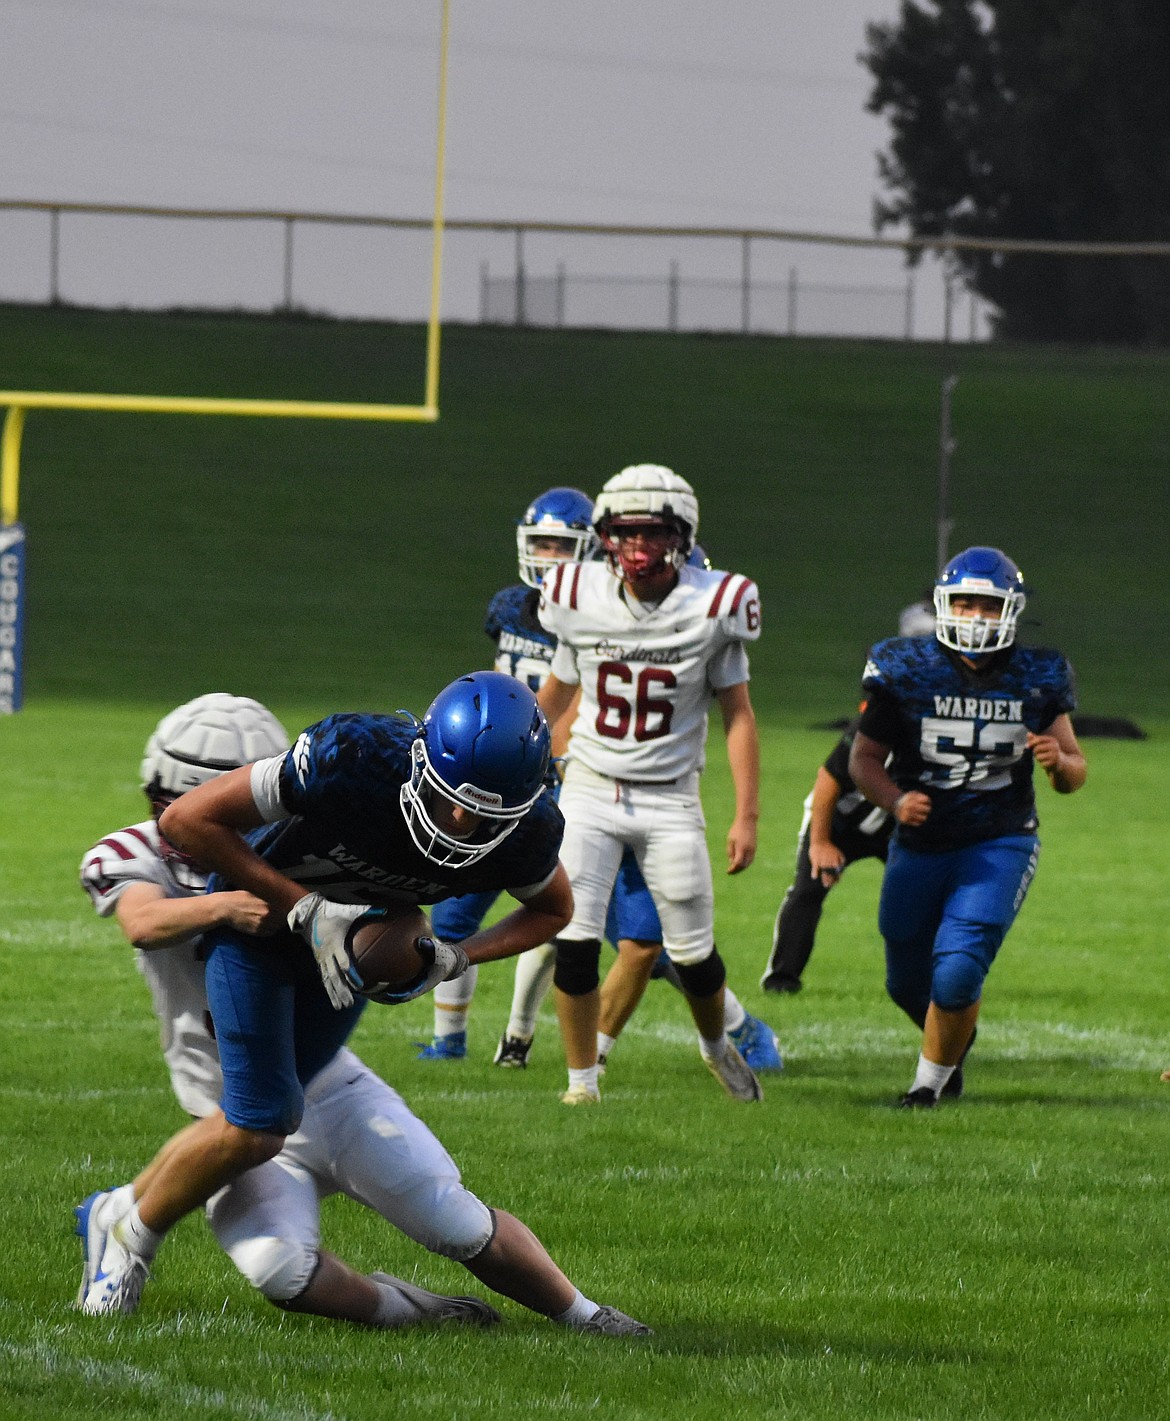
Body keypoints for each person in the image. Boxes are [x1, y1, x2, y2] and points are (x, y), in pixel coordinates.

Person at [77, 674, 650, 1336]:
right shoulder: (350, 759)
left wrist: (456, 955)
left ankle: (579, 1315)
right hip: (256, 971)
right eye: (449, 800)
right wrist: (302, 910)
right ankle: (126, 1224)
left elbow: (554, 908)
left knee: (451, 1217)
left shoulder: (528, 830)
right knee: (265, 1155)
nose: (462, 824)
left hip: (334, 1010)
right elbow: (180, 834)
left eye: (488, 816)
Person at [417, 486, 780, 1076]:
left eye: (563, 545)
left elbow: (587, 694)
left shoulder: (619, 611)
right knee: (469, 910)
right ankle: (459, 1041)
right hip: (519, 777)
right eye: (541, 544)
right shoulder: (517, 606)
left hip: (588, 783)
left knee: (634, 938)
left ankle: (734, 1027)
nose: (550, 557)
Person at [537, 464, 766, 1105]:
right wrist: (517, 749)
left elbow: (738, 713)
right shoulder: (578, 597)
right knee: (574, 943)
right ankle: (582, 1084)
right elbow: (557, 690)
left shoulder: (715, 603)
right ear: (604, 536)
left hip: (669, 795)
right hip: (589, 786)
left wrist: (746, 814)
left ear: (682, 536)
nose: (637, 548)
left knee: (693, 955)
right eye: (624, 533)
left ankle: (716, 1045)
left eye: (653, 534)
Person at [848, 546, 1087, 1107]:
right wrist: (895, 798)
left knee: (957, 971)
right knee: (906, 982)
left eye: (988, 605)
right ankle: (953, 1043)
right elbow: (862, 760)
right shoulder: (905, 667)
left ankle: (927, 1088)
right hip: (920, 843)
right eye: (966, 603)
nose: (976, 616)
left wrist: (1059, 764)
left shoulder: (1037, 674)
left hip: (998, 840)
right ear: (943, 605)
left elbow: (1076, 771)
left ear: (1010, 610)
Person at [759, 715, 894, 994]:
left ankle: (930, 984)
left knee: (922, 896)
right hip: (837, 820)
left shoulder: (940, 729)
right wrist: (820, 842)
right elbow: (829, 777)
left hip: (897, 825)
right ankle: (781, 980)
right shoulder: (876, 725)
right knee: (808, 890)